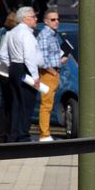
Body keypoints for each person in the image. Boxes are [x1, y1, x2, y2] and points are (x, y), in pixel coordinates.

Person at [0, 6, 43, 142]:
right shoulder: (26, 34)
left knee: (16, 102)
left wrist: (12, 65)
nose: (36, 19)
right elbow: (29, 57)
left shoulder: (11, 32)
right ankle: (23, 134)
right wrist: (35, 76)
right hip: (25, 68)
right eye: (33, 16)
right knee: (27, 103)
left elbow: (2, 54)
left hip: (14, 68)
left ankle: (14, 133)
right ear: (24, 19)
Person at [36, 10, 68, 141]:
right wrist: (53, 71)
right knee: (46, 104)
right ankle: (44, 134)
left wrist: (61, 61)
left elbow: (51, 55)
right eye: (53, 19)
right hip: (48, 74)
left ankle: (46, 132)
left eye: (57, 19)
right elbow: (42, 60)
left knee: (49, 104)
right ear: (46, 21)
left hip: (54, 72)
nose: (56, 22)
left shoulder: (53, 35)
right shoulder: (45, 36)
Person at [0, 12, 19, 143]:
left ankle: (4, 134)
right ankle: (5, 134)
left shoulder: (8, 33)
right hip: (6, 74)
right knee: (8, 104)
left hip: (5, 73)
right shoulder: (10, 35)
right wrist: (12, 68)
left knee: (7, 104)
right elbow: (3, 55)